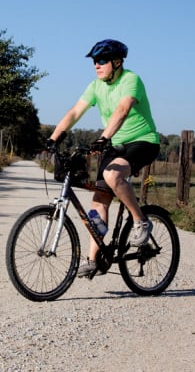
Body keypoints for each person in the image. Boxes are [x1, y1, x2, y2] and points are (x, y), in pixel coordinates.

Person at [44, 39, 160, 277]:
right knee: (98, 203)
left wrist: (103, 137)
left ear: (117, 62)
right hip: (114, 144)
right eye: (95, 61)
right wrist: (53, 139)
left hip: (142, 141)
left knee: (113, 174)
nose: (97, 65)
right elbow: (75, 111)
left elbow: (123, 110)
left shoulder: (131, 80)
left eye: (102, 61)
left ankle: (141, 221)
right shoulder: (96, 86)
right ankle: (93, 259)